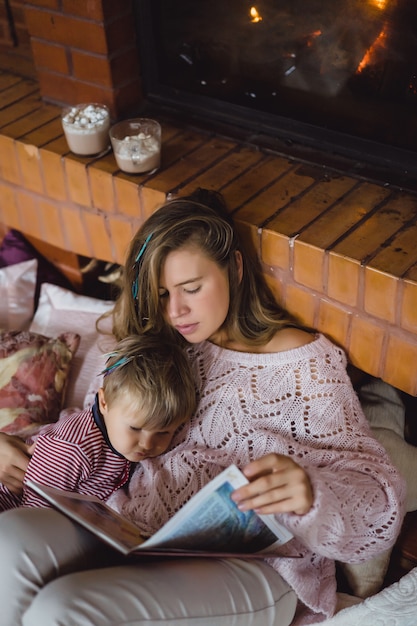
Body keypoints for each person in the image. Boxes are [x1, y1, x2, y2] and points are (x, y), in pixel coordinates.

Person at [0, 188, 406, 626]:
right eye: (160, 294)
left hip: (257, 568)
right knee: (11, 537)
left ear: (233, 268)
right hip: (134, 533)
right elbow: (90, 431)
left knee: (61, 609)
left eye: (191, 288)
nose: (176, 310)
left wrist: (313, 492)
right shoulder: (156, 348)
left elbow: (379, 500)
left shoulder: (302, 362)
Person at [0, 334, 196, 510]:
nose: (147, 443)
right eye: (135, 428)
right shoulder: (74, 447)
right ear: (104, 402)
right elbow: (35, 510)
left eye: (163, 433)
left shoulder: (120, 440)